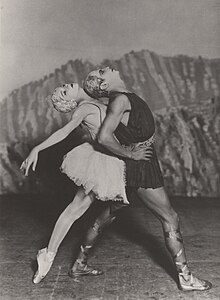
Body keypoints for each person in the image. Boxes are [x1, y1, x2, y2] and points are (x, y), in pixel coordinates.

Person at [73, 66, 212, 292]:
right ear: (104, 85)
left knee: (106, 216)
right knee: (170, 218)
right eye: (102, 71)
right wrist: (130, 154)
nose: (107, 67)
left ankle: (79, 264)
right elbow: (104, 137)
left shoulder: (124, 98)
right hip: (139, 168)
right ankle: (186, 279)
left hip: (136, 165)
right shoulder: (120, 101)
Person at [21, 82, 152, 284]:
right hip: (102, 161)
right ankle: (49, 256)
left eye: (63, 86)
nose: (66, 85)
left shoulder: (96, 101)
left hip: (113, 159)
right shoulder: (83, 109)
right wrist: (37, 148)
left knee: (82, 208)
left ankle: (62, 258)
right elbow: (64, 132)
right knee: (76, 209)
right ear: (70, 102)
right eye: (64, 91)